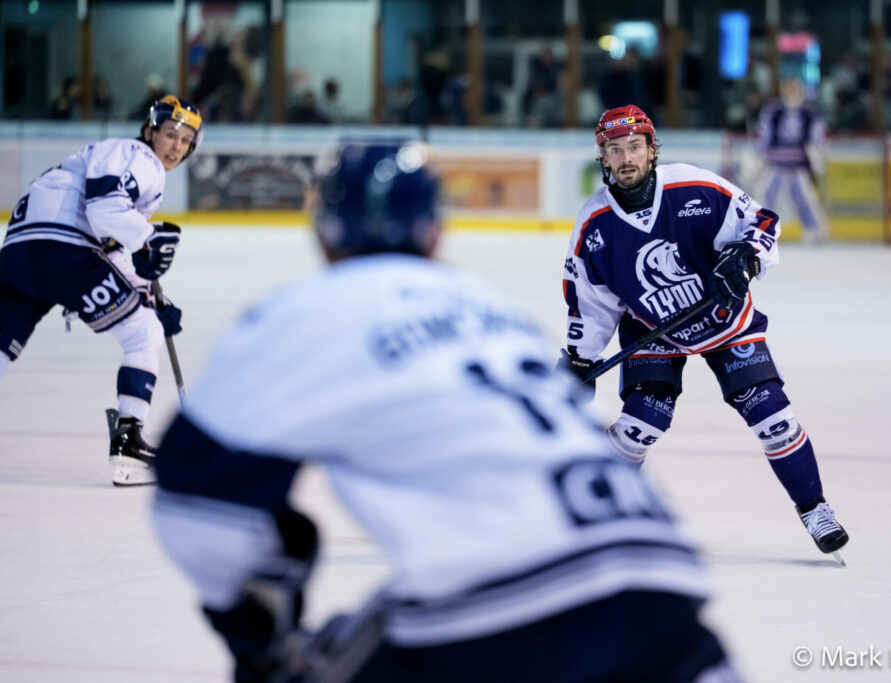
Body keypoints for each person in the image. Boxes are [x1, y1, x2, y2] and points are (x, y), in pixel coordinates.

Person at [151, 141, 742, 683]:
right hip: (667, 590)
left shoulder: (306, 311)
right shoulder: (494, 308)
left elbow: (195, 509)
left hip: (508, 608)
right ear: (435, 233)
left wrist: (260, 627)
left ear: (324, 235)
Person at [559, 105, 848, 561]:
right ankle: (602, 519)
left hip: (726, 321)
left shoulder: (694, 186)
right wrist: (580, 357)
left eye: (635, 146)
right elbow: (592, 301)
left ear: (652, 150)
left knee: (772, 417)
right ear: (603, 158)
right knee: (638, 427)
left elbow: (763, 223)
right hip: (654, 328)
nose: (626, 157)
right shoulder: (594, 224)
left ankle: (815, 509)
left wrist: (745, 258)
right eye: (614, 150)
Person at [0, 95, 201, 486]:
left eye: (185, 139)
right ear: (150, 131)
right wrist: (148, 238)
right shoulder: (137, 156)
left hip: (18, 254)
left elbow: (110, 243)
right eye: (170, 134)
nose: (176, 146)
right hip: (62, 250)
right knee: (143, 332)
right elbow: (104, 211)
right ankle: (129, 446)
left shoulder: (110, 157)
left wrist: (150, 291)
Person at [754, 78, 829, 243]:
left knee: (804, 199)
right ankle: (761, 231)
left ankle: (815, 230)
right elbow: (764, 134)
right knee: (768, 197)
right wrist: (759, 156)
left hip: (798, 164)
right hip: (776, 162)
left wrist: (817, 160)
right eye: (789, 88)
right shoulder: (773, 110)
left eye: (795, 89)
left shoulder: (809, 112)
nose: (792, 92)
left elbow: (817, 138)